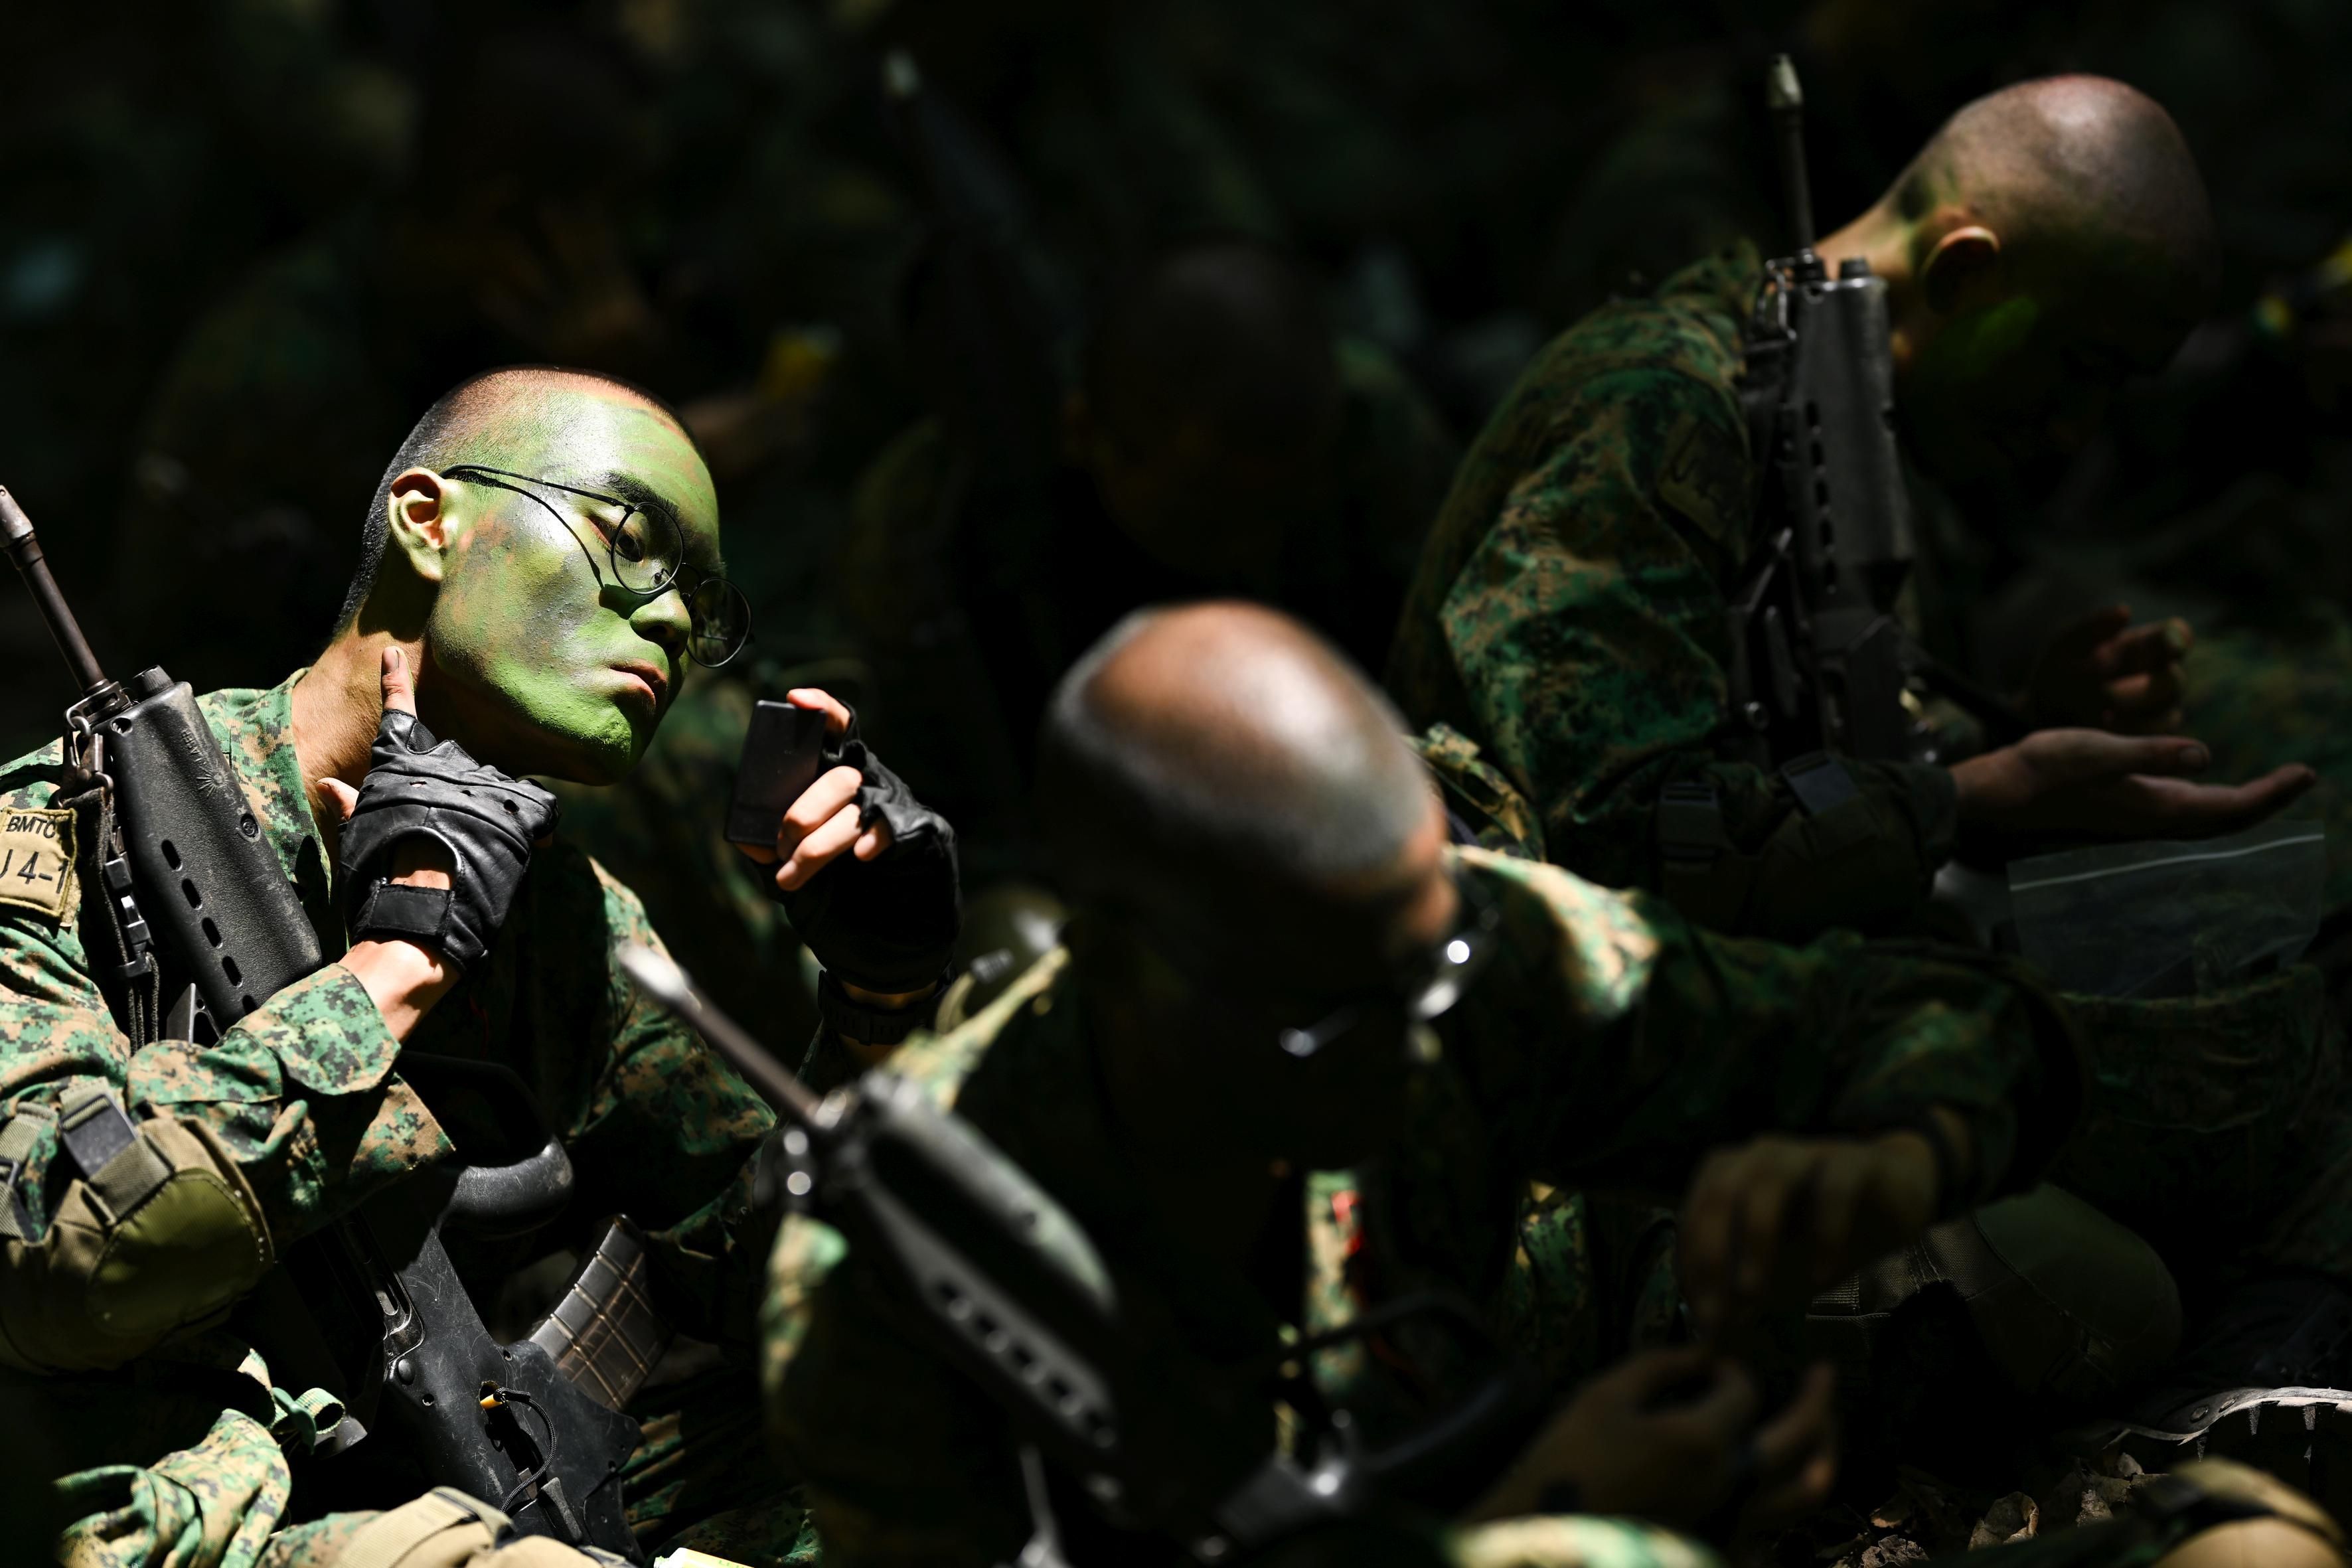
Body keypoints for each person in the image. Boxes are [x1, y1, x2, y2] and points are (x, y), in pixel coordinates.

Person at [761, 600, 2098, 1567]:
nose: (1420, 1047)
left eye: (1437, 962)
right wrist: (1540, 1528)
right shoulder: (895, 1269)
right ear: (1124, 964)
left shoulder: (1439, 961)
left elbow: (1945, 1015)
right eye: (1342, 1017)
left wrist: (1896, 1155)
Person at [0, 366, 957, 1565]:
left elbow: (766, 1280)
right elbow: (52, 1261)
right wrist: (392, 970)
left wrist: (878, 1003)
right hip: (163, 1514)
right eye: (631, 543)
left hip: (451, 1478)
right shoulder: (70, 839)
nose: (672, 621)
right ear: (427, 519)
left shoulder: (561, 911)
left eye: (704, 602)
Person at [1387, 74, 2314, 944]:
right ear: (1959, 273)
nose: (2076, 430)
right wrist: (1961, 803)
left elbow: (1807, 757)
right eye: (2079, 367)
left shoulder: (1848, 421)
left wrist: (2014, 739)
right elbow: (1616, 836)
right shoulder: (1657, 410)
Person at [842, 236, 1460, 882]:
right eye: (1208, 515)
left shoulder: (1361, 424)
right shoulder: (930, 525)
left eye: (1283, 508)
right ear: (1084, 435)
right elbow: (920, 798)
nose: (1250, 545)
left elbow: (1443, 667)